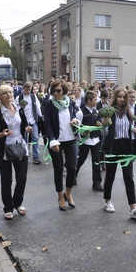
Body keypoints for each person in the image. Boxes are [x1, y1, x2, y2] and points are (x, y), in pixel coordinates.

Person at [101, 87, 136, 218]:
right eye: (120, 97)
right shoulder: (110, 112)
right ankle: (107, 200)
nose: (122, 99)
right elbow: (104, 133)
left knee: (128, 177)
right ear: (115, 97)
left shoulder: (129, 112)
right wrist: (104, 124)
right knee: (110, 175)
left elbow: (132, 130)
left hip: (126, 146)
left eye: (124, 97)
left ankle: (133, 206)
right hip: (113, 146)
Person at [0, 84, 32, 220]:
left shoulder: (19, 108)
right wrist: (2, 134)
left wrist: (27, 128)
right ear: (0, 97)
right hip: (5, 150)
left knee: (22, 178)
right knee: (6, 181)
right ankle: (8, 208)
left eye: (10, 92)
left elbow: (25, 124)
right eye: (5, 93)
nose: (9, 95)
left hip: (20, 147)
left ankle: (18, 204)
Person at [44, 79, 80, 211]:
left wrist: (75, 120)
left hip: (71, 139)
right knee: (58, 170)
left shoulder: (70, 102)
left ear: (64, 90)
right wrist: (52, 141)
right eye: (53, 91)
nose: (55, 93)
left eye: (58, 91)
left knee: (72, 168)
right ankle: (60, 196)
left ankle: (68, 193)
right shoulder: (49, 104)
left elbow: (74, 115)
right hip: (56, 141)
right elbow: (47, 124)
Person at [75, 90, 103, 191]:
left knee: (96, 161)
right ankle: (74, 174)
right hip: (85, 141)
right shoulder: (81, 112)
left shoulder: (96, 111)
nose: (97, 101)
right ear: (88, 101)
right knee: (81, 159)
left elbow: (99, 120)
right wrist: (82, 134)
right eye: (95, 100)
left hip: (95, 140)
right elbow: (77, 127)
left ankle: (96, 182)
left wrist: (99, 122)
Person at [15, 81, 42, 165]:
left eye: (29, 90)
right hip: (24, 121)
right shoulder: (19, 98)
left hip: (33, 120)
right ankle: (24, 156)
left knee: (35, 138)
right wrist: (20, 107)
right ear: (23, 89)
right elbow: (15, 108)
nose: (27, 91)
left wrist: (40, 117)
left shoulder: (34, 97)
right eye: (26, 90)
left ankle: (35, 157)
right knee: (24, 139)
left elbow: (38, 107)